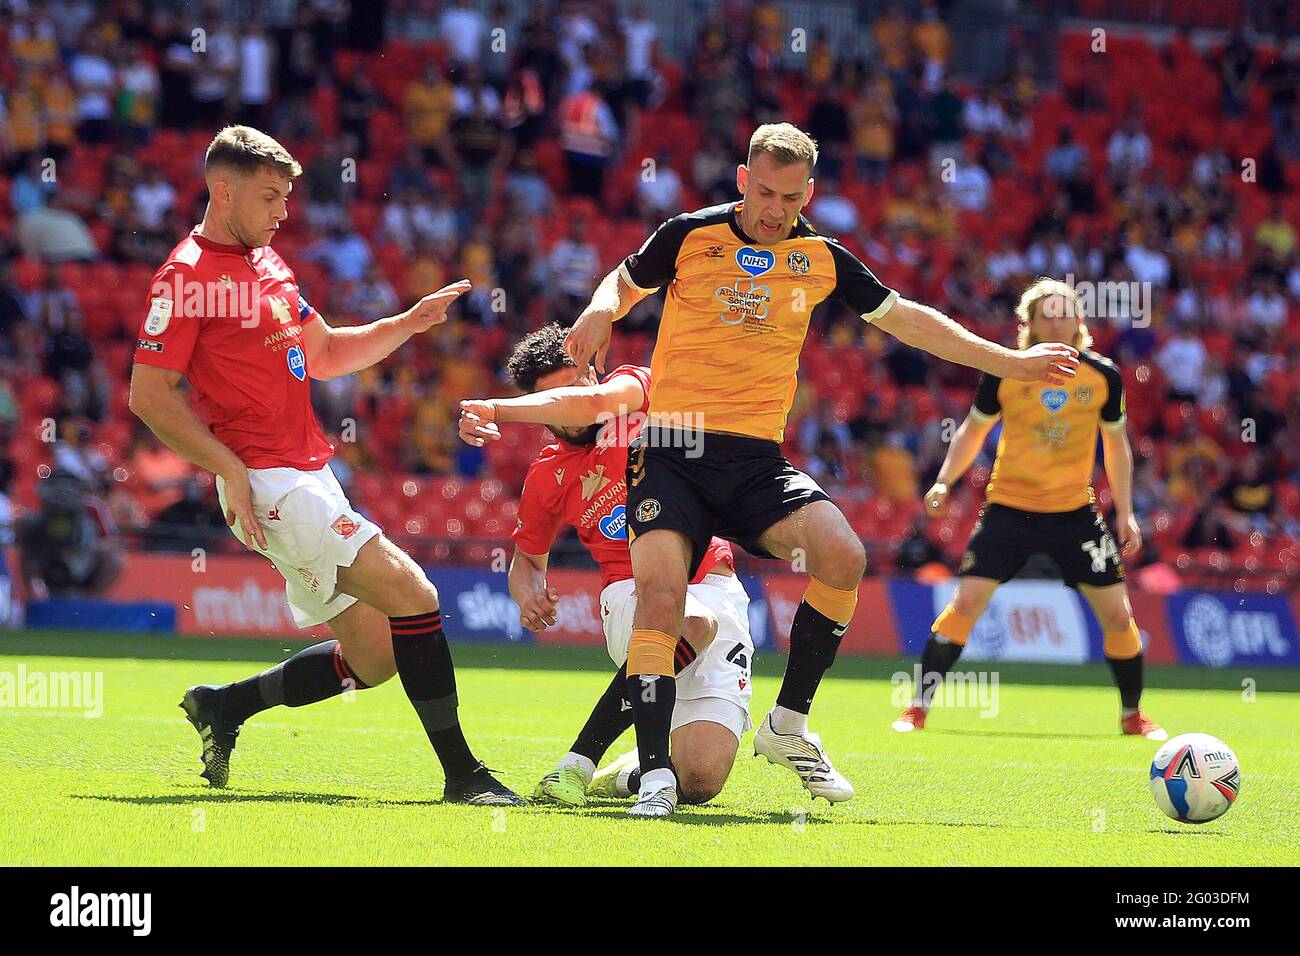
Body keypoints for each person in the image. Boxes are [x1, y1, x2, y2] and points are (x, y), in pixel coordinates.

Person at [563, 122, 1079, 816]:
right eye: (764, 192)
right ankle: (653, 776)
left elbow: (912, 322)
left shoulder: (822, 258)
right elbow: (620, 287)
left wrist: (1010, 362)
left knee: (843, 555)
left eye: (790, 197)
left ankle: (787, 725)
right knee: (661, 598)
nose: (774, 209)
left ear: (810, 193)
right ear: (744, 180)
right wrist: (599, 312)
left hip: (753, 460)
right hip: (672, 450)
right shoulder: (687, 235)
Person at [127, 125, 521, 805]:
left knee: (376, 659)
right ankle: (464, 776)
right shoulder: (186, 277)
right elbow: (147, 395)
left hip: (308, 472)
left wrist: (408, 323)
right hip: (270, 482)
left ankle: (226, 707)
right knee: (417, 595)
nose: (284, 211)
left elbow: (328, 352)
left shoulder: (268, 264)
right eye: (271, 197)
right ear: (223, 192)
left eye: (286, 198)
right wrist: (231, 470)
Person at [458, 324, 755, 812]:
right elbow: (527, 561)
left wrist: (494, 409)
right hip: (630, 591)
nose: (565, 409)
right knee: (693, 621)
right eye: (548, 401)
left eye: (574, 388)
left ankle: (627, 772)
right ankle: (579, 760)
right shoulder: (546, 476)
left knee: (701, 781)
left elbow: (598, 402)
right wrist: (527, 592)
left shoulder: (634, 391)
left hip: (715, 579)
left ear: (592, 374)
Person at [892, 279, 1166, 741]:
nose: (1058, 321)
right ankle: (917, 707)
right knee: (966, 605)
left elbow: (1117, 448)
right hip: (1008, 511)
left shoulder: (1103, 375)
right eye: (1048, 314)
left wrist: (1125, 512)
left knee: (1118, 616)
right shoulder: (1005, 371)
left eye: (1066, 313)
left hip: (1075, 514)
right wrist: (944, 480)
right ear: (1031, 325)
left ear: (1079, 321)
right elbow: (972, 432)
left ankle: (1132, 715)